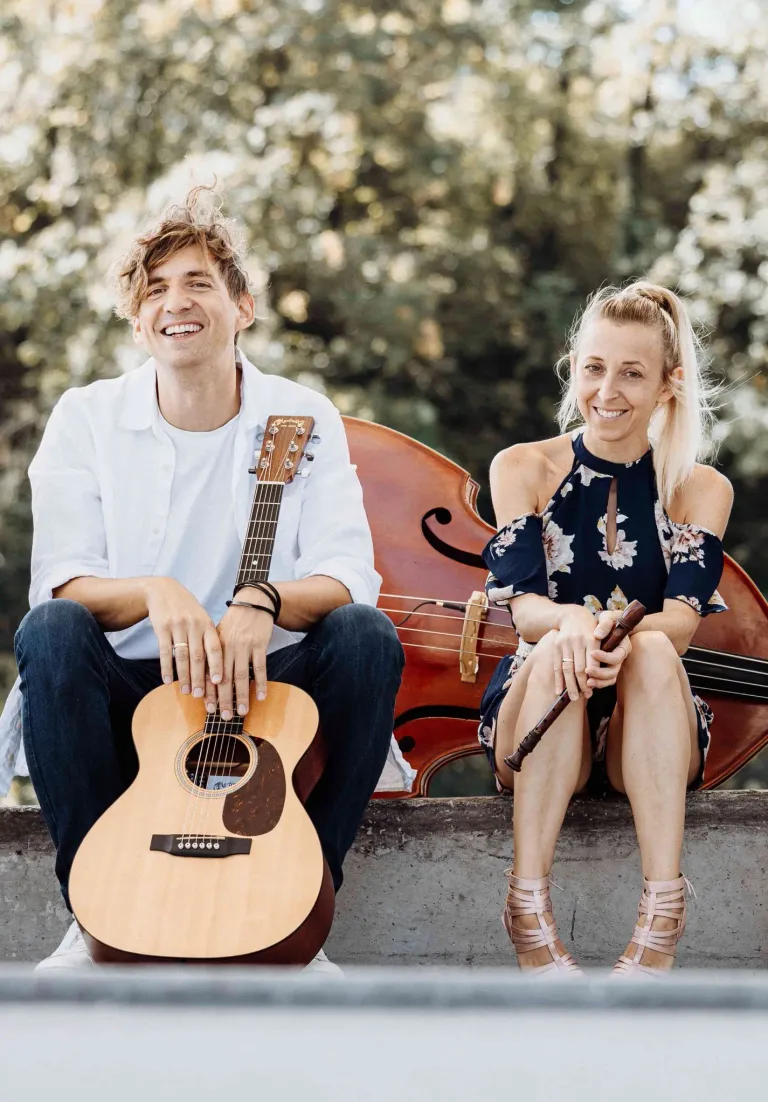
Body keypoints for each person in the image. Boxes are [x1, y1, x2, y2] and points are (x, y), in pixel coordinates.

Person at [3, 187, 404, 972]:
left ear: (243, 307)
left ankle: (299, 899)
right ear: (135, 318)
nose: (174, 303)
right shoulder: (85, 417)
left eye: (197, 283)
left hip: (258, 687)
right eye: (154, 290)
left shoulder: (300, 415)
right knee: (50, 634)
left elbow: (350, 573)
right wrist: (157, 591)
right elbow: (59, 582)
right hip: (130, 693)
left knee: (366, 636)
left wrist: (262, 600)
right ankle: (95, 916)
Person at [479, 280, 732, 977]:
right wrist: (571, 627)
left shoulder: (698, 487)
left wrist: (618, 644)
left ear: (667, 385)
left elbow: (680, 622)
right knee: (556, 642)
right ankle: (527, 910)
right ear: (574, 367)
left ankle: (661, 914)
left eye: (632, 373)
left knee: (651, 645)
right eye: (594, 367)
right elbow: (524, 605)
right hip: (538, 709)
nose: (608, 390)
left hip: (650, 725)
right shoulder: (523, 467)